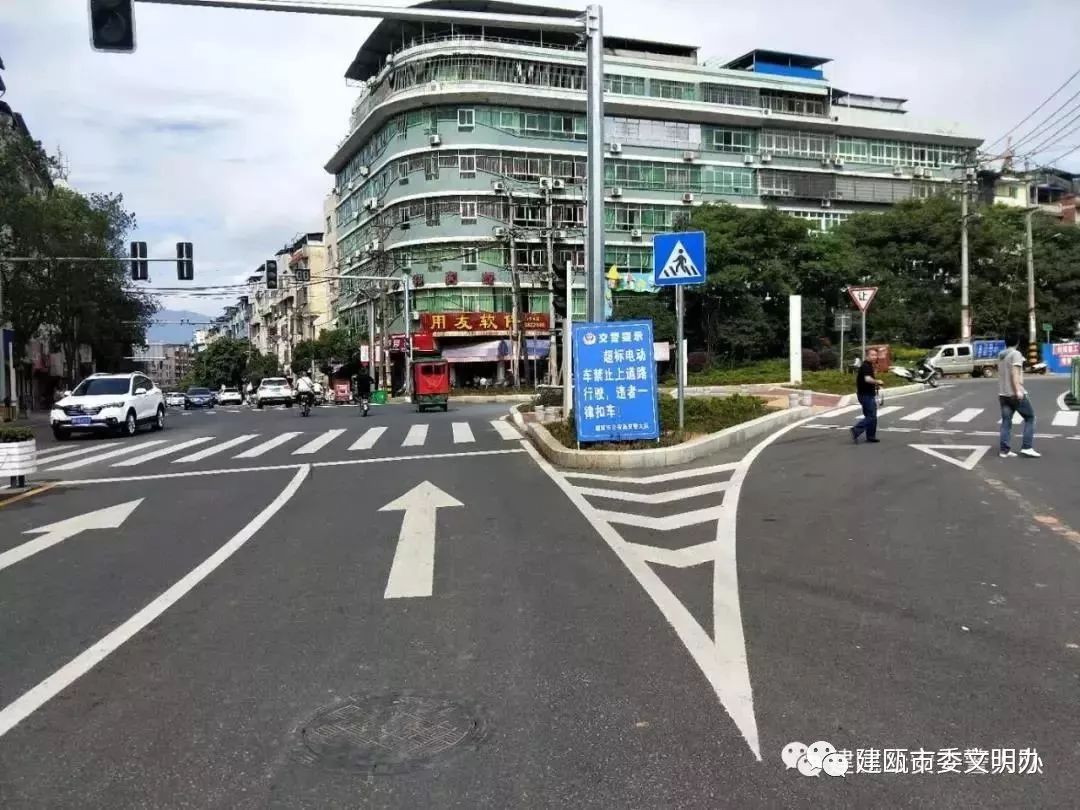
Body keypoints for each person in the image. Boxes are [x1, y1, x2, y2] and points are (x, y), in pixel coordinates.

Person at [997, 332, 1040, 459]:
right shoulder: (1016, 354)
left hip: (1002, 394)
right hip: (1014, 394)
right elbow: (1014, 374)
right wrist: (1018, 391)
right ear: (1018, 342)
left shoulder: (1001, 355)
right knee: (1030, 418)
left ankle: (1004, 450)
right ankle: (1027, 447)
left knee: (1006, 421)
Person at [850, 348, 883, 444]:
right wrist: (878, 381)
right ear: (867, 356)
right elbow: (867, 379)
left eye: (875, 355)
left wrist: (876, 385)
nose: (874, 357)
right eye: (872, 355)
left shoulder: (869, 365)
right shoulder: (865, 366)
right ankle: (856, 429)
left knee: (870, 416)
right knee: (872, 416)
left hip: (866, 394)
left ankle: (871, 436)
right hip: (865, 395)